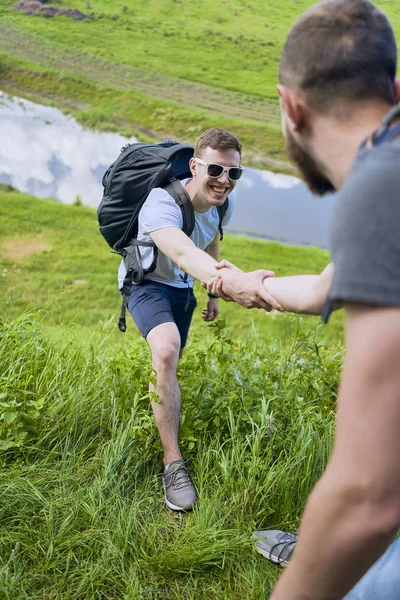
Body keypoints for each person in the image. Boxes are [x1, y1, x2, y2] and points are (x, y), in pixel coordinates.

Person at [207, 1, 400, 598]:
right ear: (392, 89)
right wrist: (250, 286)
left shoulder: (381, 186)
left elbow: (369, 492)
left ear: (291, 106)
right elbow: (325, 287)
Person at [118, 127, 282, 512]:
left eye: (234, 174)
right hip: (146, 283)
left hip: (182, 289)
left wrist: (210, 293)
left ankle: (162, 391)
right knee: (167, 348)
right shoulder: (161, 201)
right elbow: (181, 250)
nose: (224, 181)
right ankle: (172, 463)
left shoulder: (224, 203)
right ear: (194, 165)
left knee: (170, 362)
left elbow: (209, 240)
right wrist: (227, 283)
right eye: (215, 171)